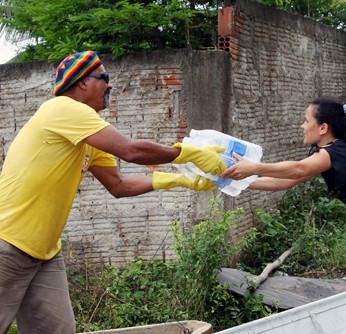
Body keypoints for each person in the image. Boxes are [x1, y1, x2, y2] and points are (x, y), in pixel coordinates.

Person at [0, 51, 226, 334]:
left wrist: (177, 181)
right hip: (8, 244)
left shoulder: (88, 136)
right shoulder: (63, 108)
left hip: (45, 252)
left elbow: (118, 185)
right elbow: (130, 150)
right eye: (104, 78)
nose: (110, 86)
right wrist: (185, 154)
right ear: (82, 83)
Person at [221, 96, 346, 291]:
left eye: (306, 120)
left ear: (323, 128)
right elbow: (285, 182)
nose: (302, 125)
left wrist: (255, 167)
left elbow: (299, 169)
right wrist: (234, 182)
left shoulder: (335, 151)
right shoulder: (339, 151)